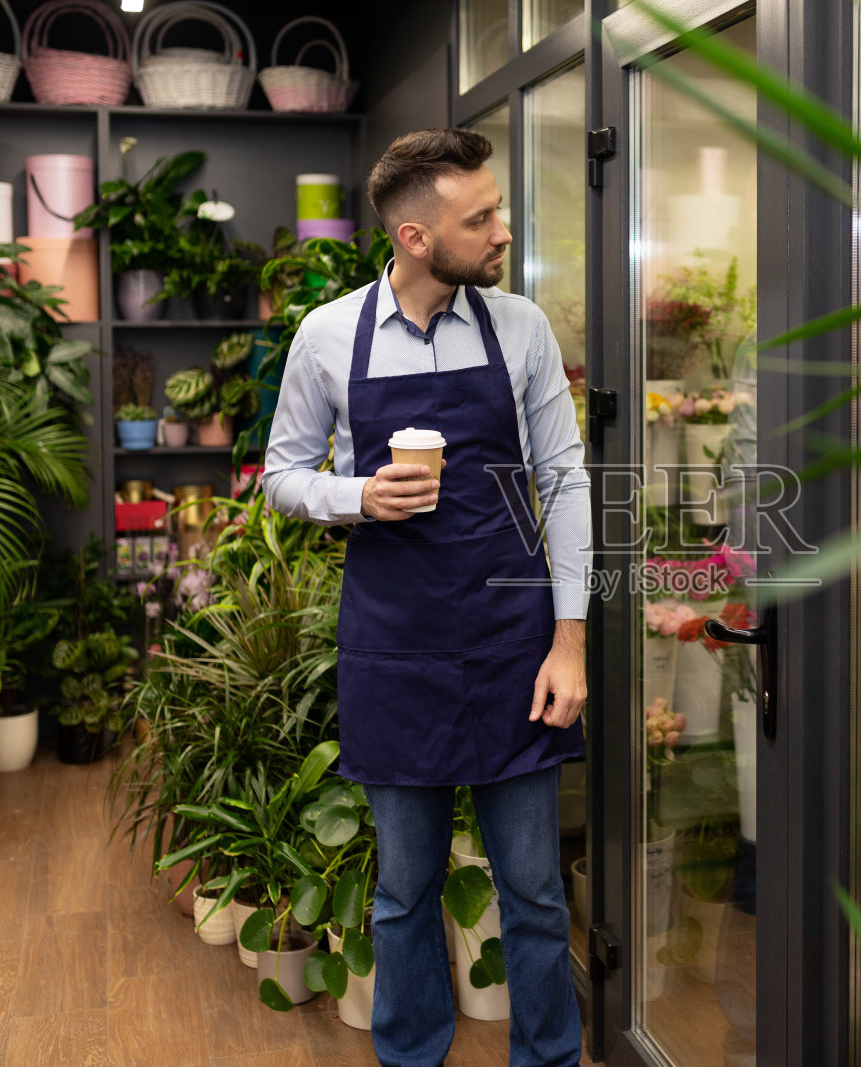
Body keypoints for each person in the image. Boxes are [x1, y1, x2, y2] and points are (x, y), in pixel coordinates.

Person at [263, 128, 590, 1067]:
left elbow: (564, 483)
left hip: (512, 642)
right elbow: (284, 474)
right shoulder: (327, 335)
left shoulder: (520, 327)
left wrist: (567, 641)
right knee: (403, 888)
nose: (502, 230)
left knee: (531, 885)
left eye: (499, 209)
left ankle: (550, 1057)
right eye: (478, 217)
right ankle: (410, 1054)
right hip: (393, 645)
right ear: (413, 235)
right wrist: (355, 494)